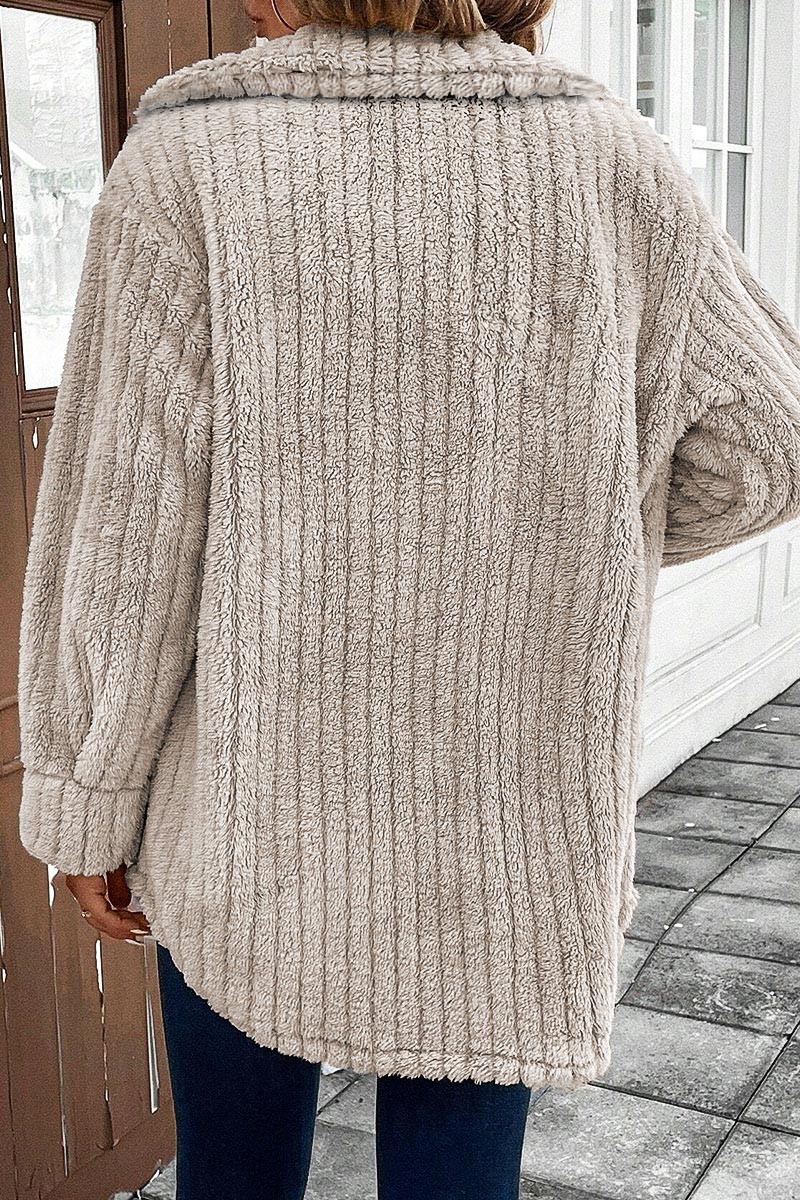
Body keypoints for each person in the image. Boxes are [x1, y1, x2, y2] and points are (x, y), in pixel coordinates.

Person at [15, 0, 800, 1196]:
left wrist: (87, 796)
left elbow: (129, 534)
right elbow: (768, 447)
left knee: (234, 1172)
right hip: (505, 834)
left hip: (245, 815)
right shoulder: (610, 162)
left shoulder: (192, 160)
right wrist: (573, 537)